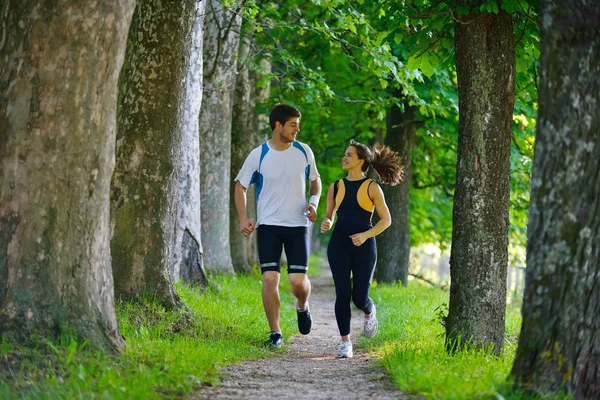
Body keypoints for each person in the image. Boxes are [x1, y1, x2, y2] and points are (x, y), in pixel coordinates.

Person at [234, 103, 322, 348]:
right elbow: (240, 186)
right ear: (278, 125)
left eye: (298, 125)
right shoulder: (259, 154)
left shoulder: (304, 152)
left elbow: (316, 182)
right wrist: (244, 218)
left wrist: (313, 204)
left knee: (297, 282)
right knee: (270, 280)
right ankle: (276, 333)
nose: (297, 130)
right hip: (269, 226)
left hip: (297, 225)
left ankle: (303, 306)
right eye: (293, 125)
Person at [320, 139, 403, 358]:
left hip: (364, 247)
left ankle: (369, 310)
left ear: (361, 161)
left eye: (349, 155)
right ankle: (345, 343)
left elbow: (386, 220)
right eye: (344, 154)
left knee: (358, 298)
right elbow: (330, 215)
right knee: (342, 294)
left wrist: (365, 236)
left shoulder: (372, 187)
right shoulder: (336, 186)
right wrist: (327, 222)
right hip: (338, 245)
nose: (344, 158)